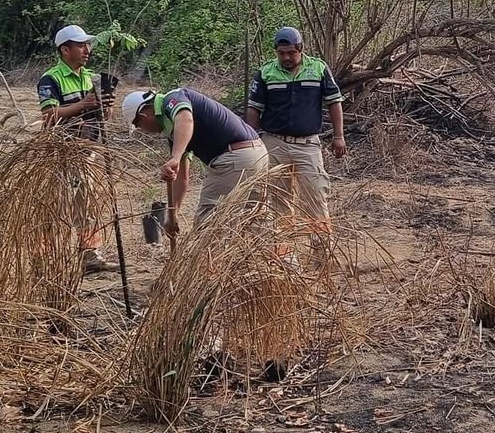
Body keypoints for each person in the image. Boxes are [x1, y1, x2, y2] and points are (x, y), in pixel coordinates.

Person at [121, 86, 270, 236]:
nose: (144, 131)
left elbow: (186, 119)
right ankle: (277, 258)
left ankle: (208, 260)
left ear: (144, 114)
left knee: (207, 226)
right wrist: (173, 215)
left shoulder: (172, 99)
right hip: (256, 154)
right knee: (254, 222)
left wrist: (175, 157)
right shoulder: (173, 130)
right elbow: (181, 177)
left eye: (139, 126)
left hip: (236, 158)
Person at [245, 26, 345, 232]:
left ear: (301, 49)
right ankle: (286, 256)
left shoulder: (318, 69)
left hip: (307, 145)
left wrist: (339, 136)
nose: (287, 57)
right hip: (274, 144)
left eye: (291, 52)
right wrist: (252, 141)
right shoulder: (266, 72)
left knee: (315, 198)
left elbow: (334, 102)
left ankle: (321, 255)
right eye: (281, 53)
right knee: (279, 200)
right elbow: (254, 109)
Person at [37, 24, 117, 275]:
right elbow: (49, 115)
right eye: (81, 45)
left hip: (87, 149)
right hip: (60, 151)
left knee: (89, 203)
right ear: (65, 49)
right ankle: (46, 259)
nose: (87, 50)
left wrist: (105, 106)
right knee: (56, 206)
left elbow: (101, 116)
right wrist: (84, 103)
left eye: (87, 45)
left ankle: (89, 255)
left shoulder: (90, 76)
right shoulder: (51, 78)